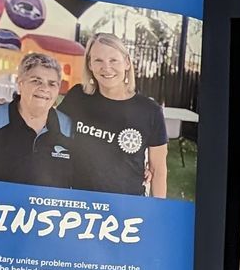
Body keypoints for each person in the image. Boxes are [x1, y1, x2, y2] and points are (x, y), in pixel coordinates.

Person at [58, 32, 169, 197]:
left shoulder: (150, 111)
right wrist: (11, 106)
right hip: (79, 201)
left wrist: (159, 213)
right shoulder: (78, 96)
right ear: (89, 64)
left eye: (113, 60)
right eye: (98, 60)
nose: (106, 68)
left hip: (126, 206)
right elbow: (47, 129)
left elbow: (158, 170)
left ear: (126, 62)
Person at [0, 52, 75, 187]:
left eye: (52, 84)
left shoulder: (69, 129)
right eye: (36, 81)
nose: (44, 88)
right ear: (20, 84)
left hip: (47, 209)